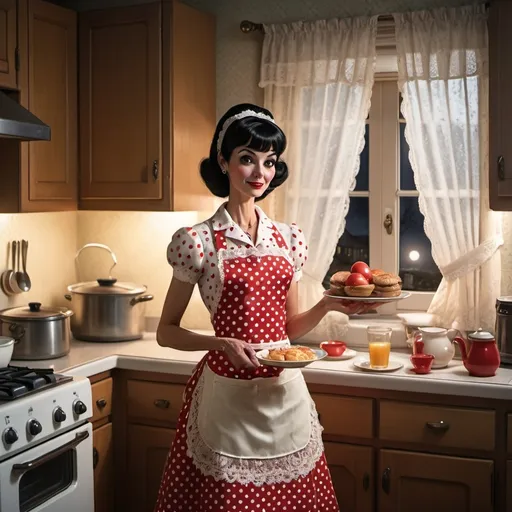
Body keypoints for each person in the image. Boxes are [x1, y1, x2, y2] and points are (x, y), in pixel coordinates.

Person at [154, 103, 371, 512]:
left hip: (283, 396)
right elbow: (166, 330)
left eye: (269, 162)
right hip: (226, 401)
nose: (260, 174)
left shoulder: (289, 238)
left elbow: (288, 328)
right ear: (224, 162)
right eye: (247, 159)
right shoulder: (196, 241)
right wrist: (219, 344)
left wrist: (327, 304)